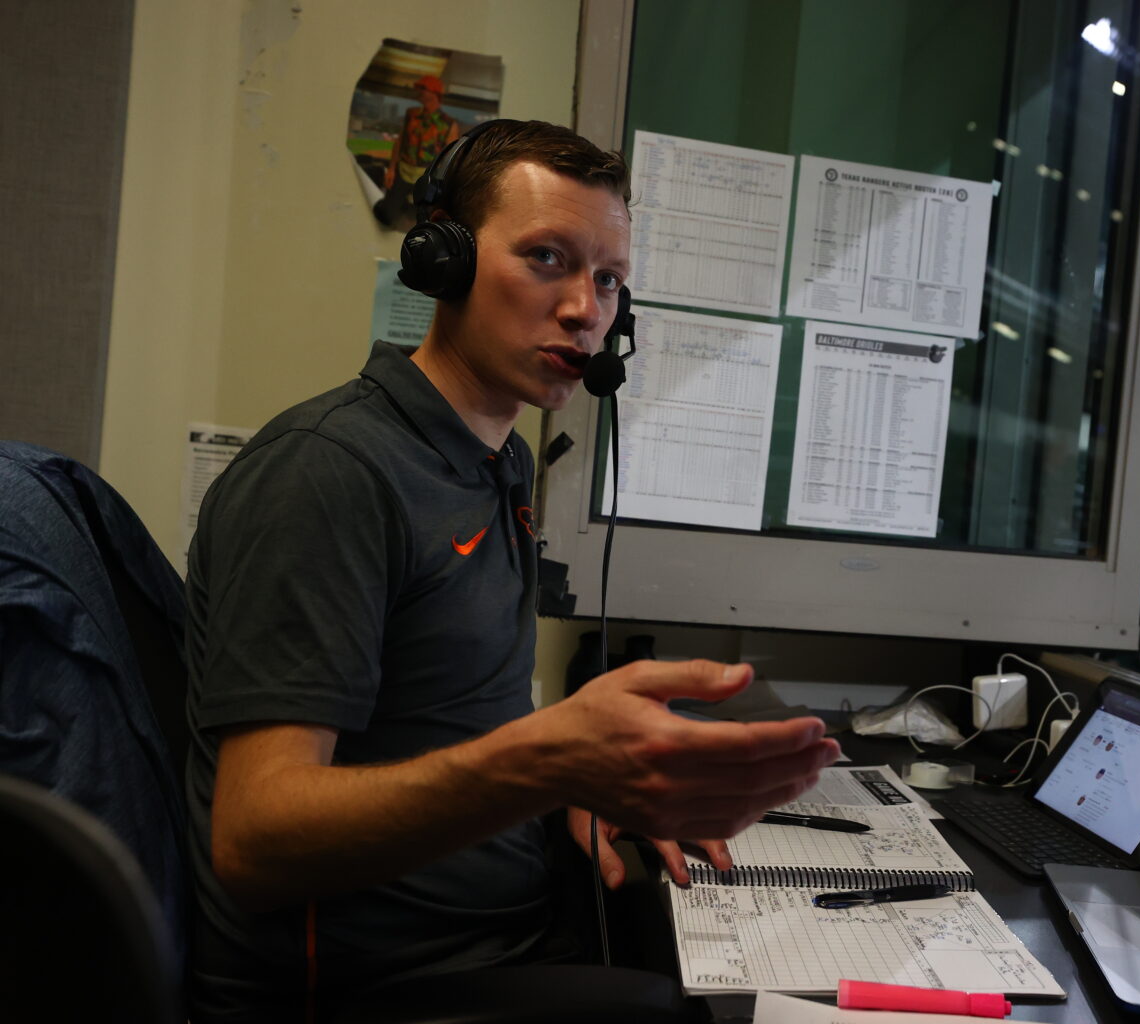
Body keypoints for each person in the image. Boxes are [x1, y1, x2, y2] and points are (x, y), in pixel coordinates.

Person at [184, 119, 841, 1021]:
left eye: (608, 280)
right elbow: (255, 841)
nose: (586, 309)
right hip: (379, 984)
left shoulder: (499, 460)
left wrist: (581, 782)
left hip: (504, 912)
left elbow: (445, 725)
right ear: (442, 260)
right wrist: (547, 762)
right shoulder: (330, 474)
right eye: (546, 259)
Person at [373, 74, 462, 230]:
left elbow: (450, 158)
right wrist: (392, 169)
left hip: (426, 176)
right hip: (403, 171)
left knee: (418, 217)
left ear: (434, 93)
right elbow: (400, 142)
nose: (418, 92)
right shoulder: (412, 114)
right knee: (387, 212)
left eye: (423, 88)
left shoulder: (448, 124)